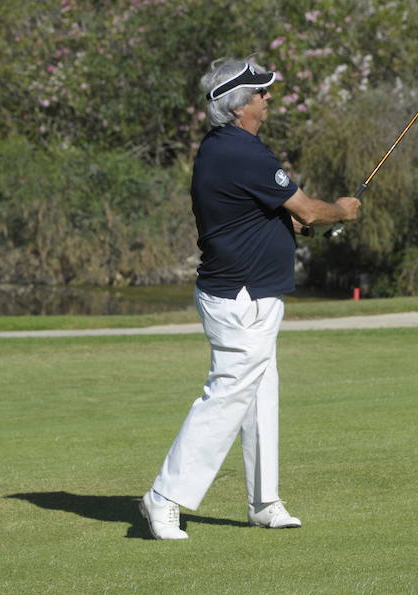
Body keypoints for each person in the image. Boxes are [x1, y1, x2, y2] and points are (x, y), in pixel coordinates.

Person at [139, 58, 361, 540]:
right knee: (228, 395)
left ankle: (264, 502)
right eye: (261, 93)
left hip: (251, 292)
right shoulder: (242, 152)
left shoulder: (228, 148)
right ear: (240, 106)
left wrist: (296, 224)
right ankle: (164, 497)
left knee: (261, 394)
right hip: (239, 295)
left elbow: (266, 214)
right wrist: (340, 210)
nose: (268, 98)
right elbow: (305, 208)